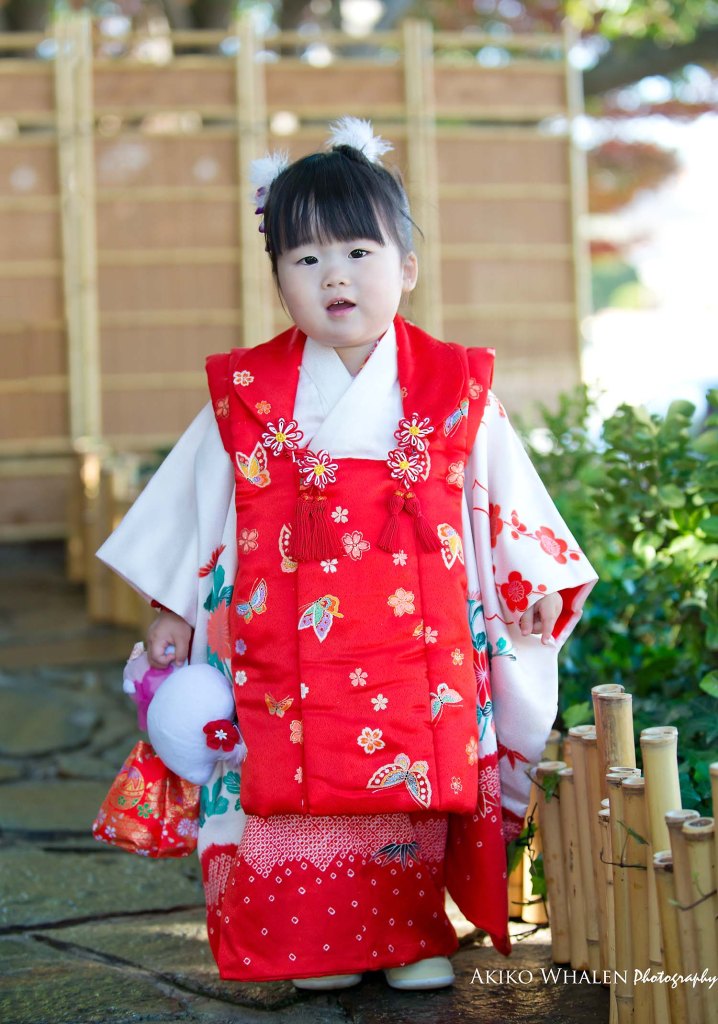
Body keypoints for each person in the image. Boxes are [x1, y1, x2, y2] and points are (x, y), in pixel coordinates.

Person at [97, 117, 597, 991]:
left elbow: (507, 502)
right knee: (292, 791)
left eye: (360, 251)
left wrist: (534, 586)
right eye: (306, 259)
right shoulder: (249, 395)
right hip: (283, 643)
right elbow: (193, 511)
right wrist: (172, 608)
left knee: (412, 787)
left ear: (405, 266)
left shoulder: (455, 388)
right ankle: (313, 947)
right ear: (279, 280)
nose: (335, 276)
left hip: (418, 646)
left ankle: (414, 939)